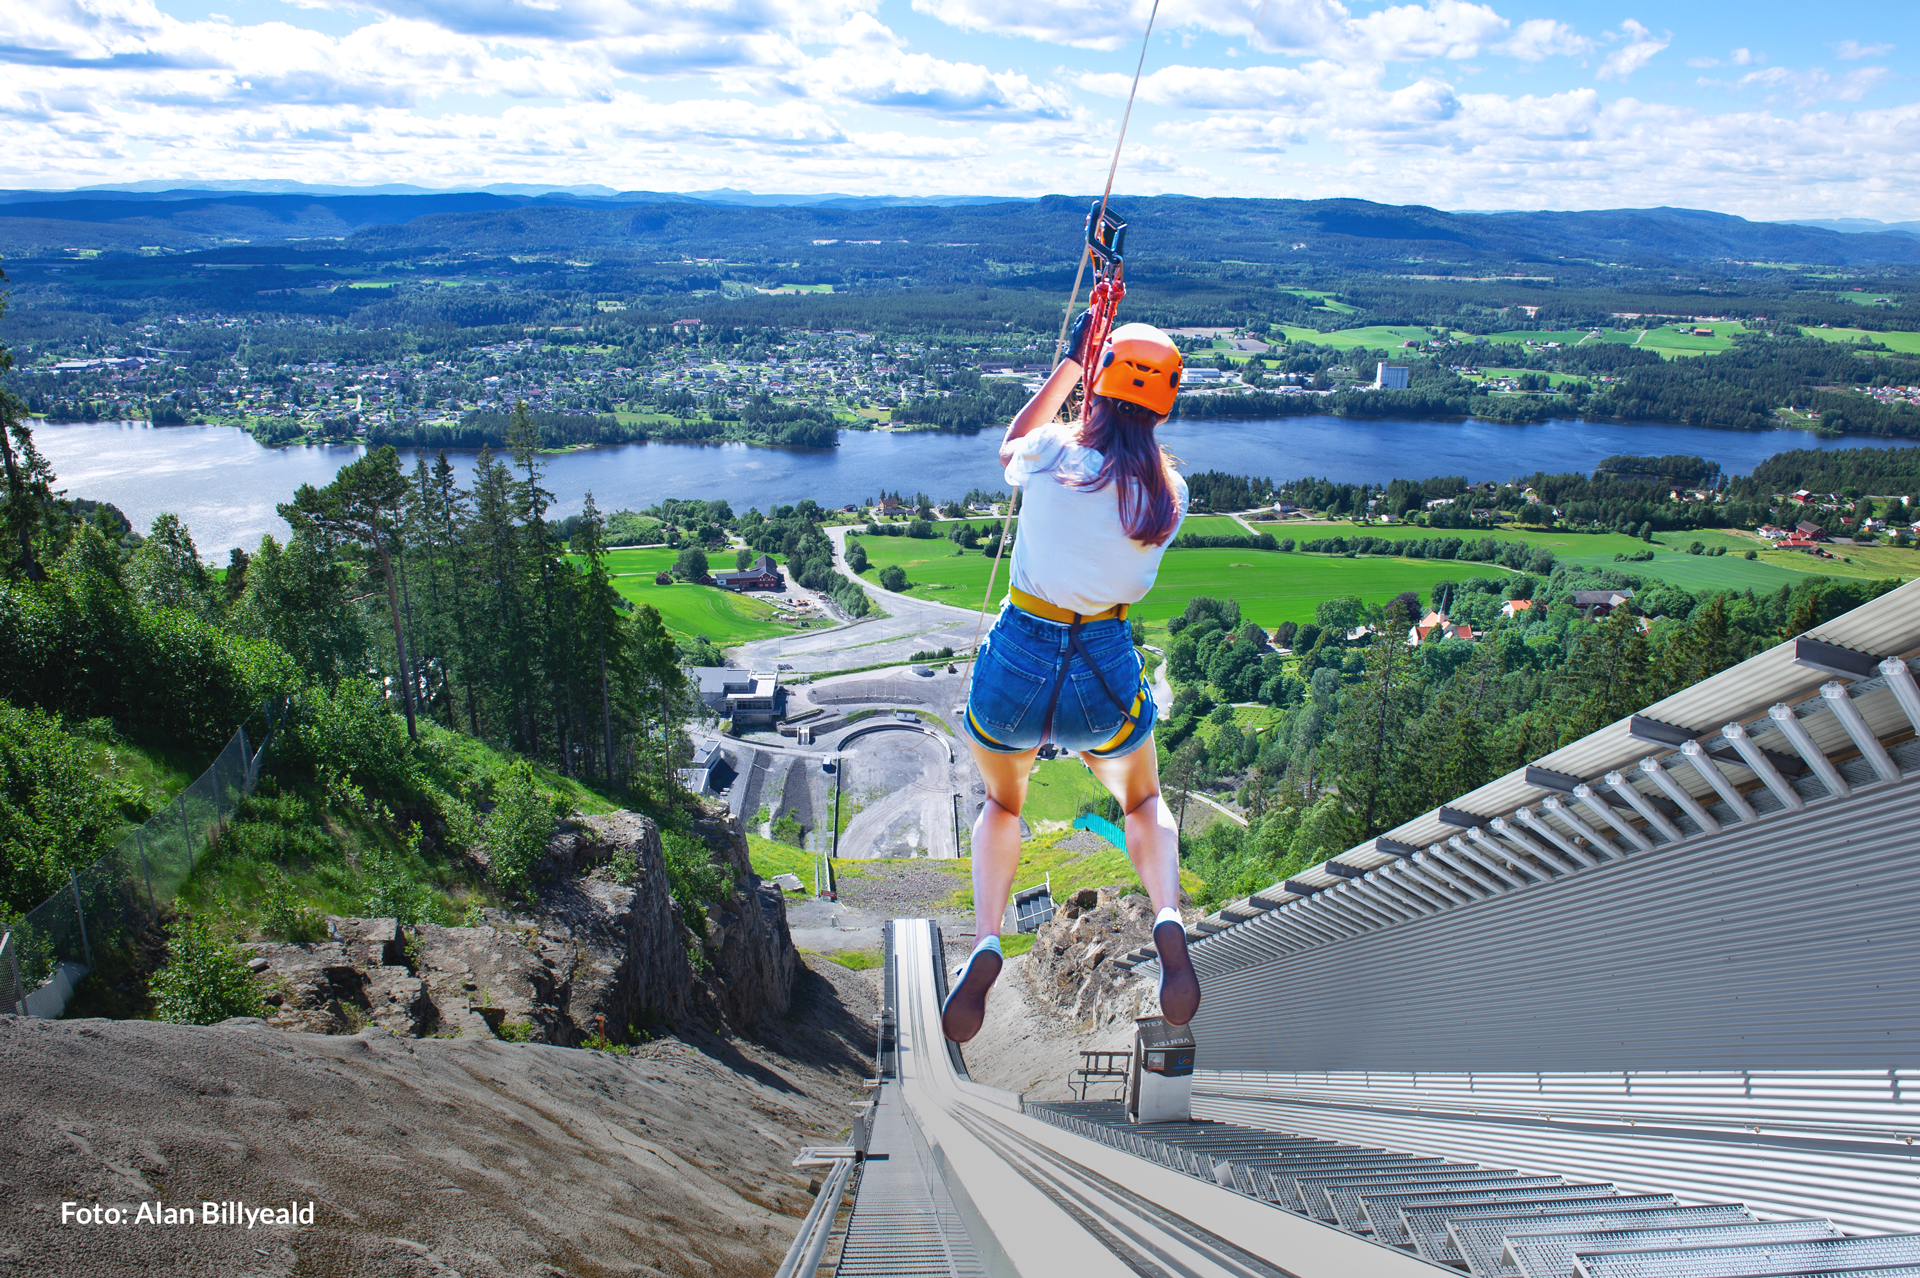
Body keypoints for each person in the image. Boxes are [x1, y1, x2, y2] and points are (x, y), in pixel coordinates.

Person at [941, 316, 1200, 1044]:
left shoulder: (1053, 451)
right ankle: (1167, 915)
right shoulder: (1170, 494)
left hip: (1018, 659)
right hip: (1103, 669)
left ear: (1101, 383)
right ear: (1165, 403)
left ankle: (988, 939)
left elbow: (1011, 445)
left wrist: (1067, 367)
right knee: (1143, 800)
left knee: (1002, 803)